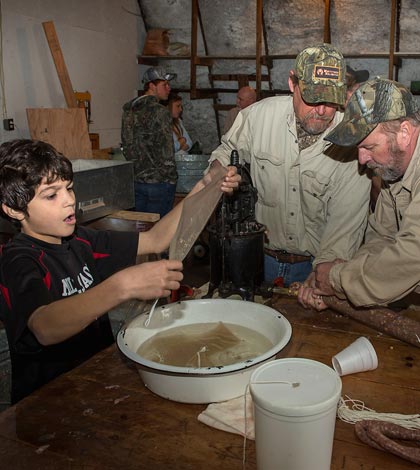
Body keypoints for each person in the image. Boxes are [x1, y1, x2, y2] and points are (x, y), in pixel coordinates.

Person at [0, 139, 239, 403]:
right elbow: (44, 327)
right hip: (46, 401)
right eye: (51, 195)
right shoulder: (17, 260)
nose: (69, 201)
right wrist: (121, 286)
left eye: (69, 188)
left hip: (93, 382)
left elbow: (156, 239)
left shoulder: (80, 240)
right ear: (14, 209)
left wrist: (204, 188)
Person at [209, 43, 371, 287]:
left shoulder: (352, 144)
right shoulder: (258, 117)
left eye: (330, 100)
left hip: (314, 266)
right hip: (259, 258)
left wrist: (322, 277)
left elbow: (345, 229)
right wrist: (219, 172)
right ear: (292, 84)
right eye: (313, 99)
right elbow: (225, 151)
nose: (323, 111)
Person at [297, 77, 420, 310]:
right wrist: (341, 282)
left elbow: (411, 256)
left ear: (404, 133)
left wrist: (338, 280)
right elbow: (382, 238)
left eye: (369, 147)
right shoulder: (394, 170)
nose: (362, 159)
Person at [121, 66, 177, 218]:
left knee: (139, 230)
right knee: (158, 233)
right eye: (164, 85)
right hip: (159, 183)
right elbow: (167, 150)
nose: (169, 88)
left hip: (136, 181)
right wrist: (171, 178)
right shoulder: (160, 111)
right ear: (151, 86)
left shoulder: (128, 111)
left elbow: (126, 145)